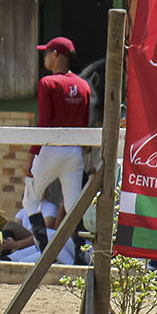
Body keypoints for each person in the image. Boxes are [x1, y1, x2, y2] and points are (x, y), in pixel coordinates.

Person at [23, 36, 91, 250]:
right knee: (73, 207)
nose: (44, 57)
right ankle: (82, 255)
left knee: (30, 199)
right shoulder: (83, 85)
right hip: (75, 153)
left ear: (55, 55)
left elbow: (44, 122)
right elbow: (85, 122)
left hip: (50, 149)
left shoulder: (47, 83)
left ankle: (43, 250)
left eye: (46, 53)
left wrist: (31, 155)